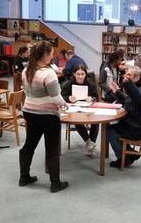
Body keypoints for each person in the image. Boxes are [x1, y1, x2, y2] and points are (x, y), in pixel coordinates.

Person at [19, 40, 68, 193]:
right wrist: (65, 105)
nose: (53, 55)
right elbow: (55, 96)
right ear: (45, 55)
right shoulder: (49, 73)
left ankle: (24, 177)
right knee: (52, 148)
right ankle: (55, 183)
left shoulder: (26, 70)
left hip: (29, 111)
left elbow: (27, 92)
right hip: (48, 115)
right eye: (52, 53)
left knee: (29, 144)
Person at [107, 66, 141, 168]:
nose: (125, 77)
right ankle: (130, 153)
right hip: (136, 125)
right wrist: (117, 92)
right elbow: (129, 101)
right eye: (126, 74)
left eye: (129, 75)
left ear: (136, 78)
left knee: (109, 130)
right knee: (112, 126)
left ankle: (124, 158)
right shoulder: (138, 88)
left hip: (139, 130)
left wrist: (127, 84)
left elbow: (138, 97)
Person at [61, 65, 99, 156]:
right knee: (77, 120)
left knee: (96, 121)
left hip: (87, 108)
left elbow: (96, 97)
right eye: (78, 74)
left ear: (86, 74)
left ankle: (91, 143)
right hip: (73, 109)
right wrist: (69, 98)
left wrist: (92, 99)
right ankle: (88, 142)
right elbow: (62, 97)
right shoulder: (68, 84)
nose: (80, 76)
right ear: (74, 74)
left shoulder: (90, 84)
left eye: (83, 74)